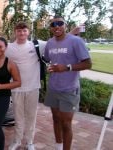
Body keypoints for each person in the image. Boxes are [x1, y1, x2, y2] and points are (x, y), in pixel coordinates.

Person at [43, 16, 92, 150]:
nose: (56, 26)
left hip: (69, 89)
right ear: (51, 28)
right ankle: (58, 147)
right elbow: (48, 59)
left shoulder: (76, 41)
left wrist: (67, 67)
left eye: (60, 23)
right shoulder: (50, 43)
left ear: (65, 25)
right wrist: (50, 67)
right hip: (53, 88)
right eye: (53, 24)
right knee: (56, 119)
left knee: (66, 124)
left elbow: (88, 63)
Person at [7, 22, 46, 150]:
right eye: (19, 31)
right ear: (15, 32)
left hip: (33, 88)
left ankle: (30, 142)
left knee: (31, 116)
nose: (21, 33)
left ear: (28, 32)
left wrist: (72, 33)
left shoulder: (37, 44)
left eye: (24, 30)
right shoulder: (9, 47)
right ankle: (17, 141)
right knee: (18, 117)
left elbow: (55, 42)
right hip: (17, 88)